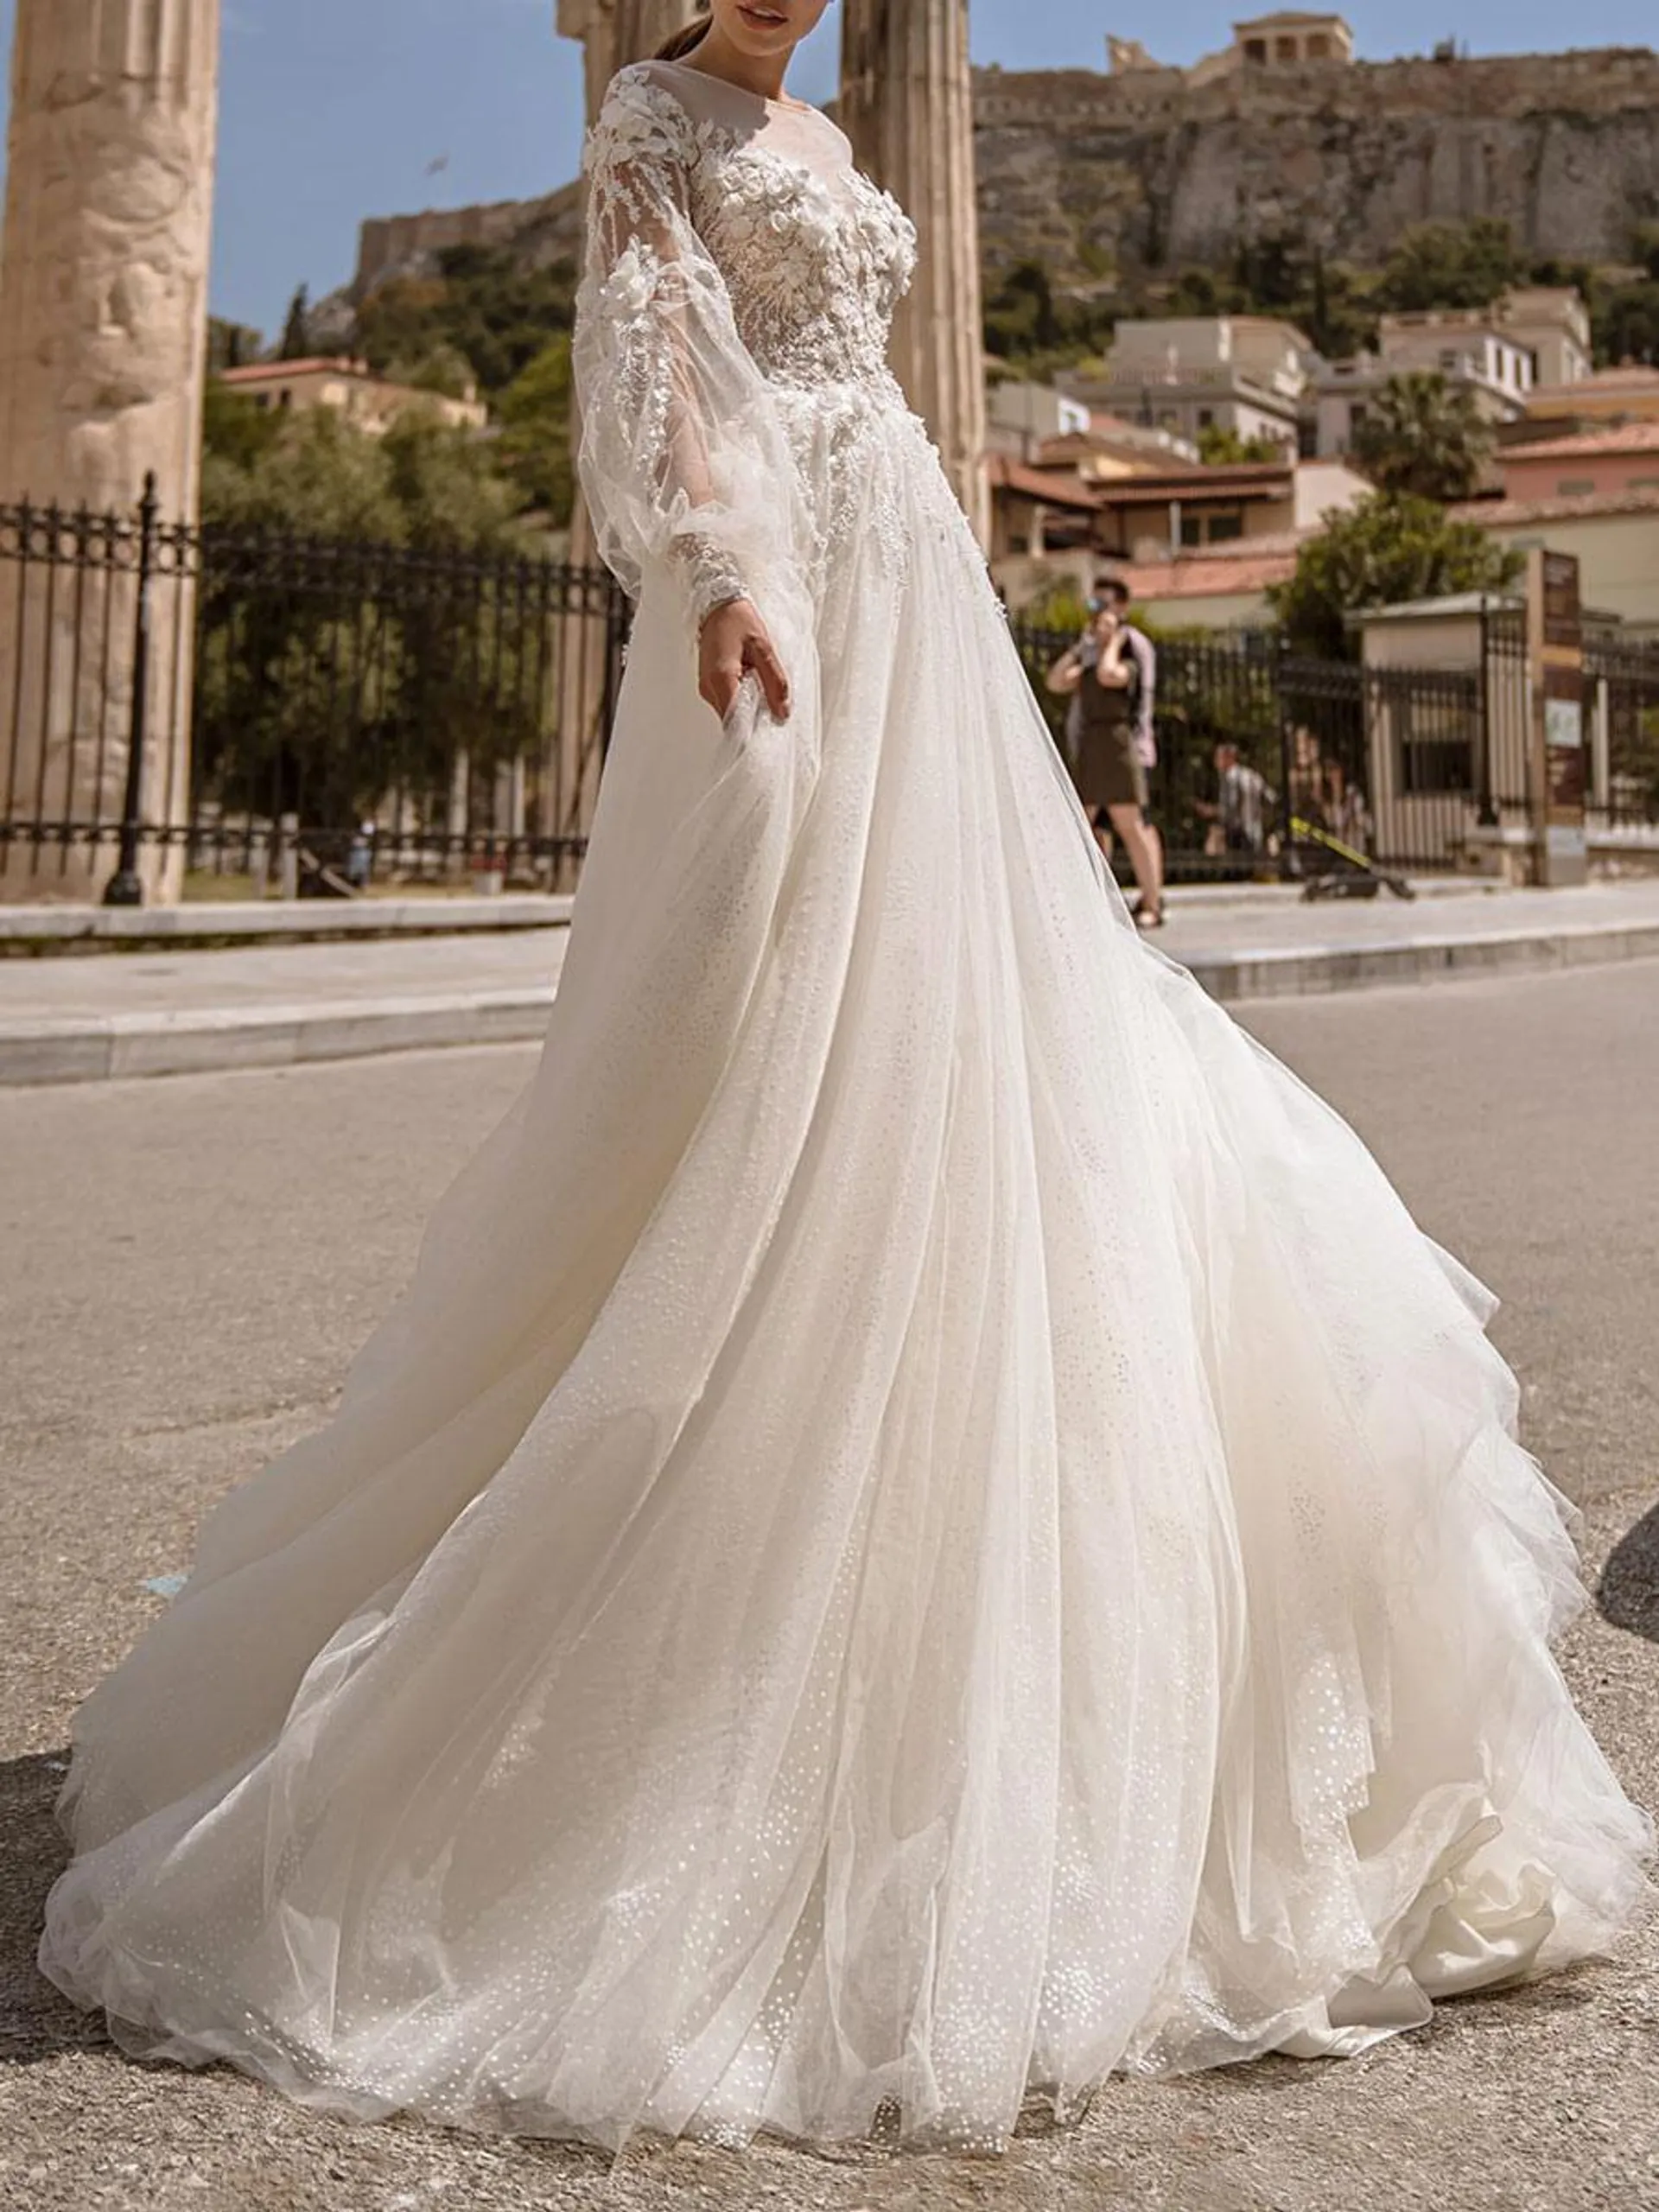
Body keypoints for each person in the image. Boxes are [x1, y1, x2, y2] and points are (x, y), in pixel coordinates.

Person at [41, 0, 1650, 2162]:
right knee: (779, 1080)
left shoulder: (807, 112)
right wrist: (716, 570)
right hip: (792, 577)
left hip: (922, 603)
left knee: (1024, 1067)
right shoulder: (649, 121)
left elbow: (851, 361)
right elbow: (658, 354)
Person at [1047, 596, 1166, 928]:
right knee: (1080, 826)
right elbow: (1055, 681)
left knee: (1129, 824)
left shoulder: (1127, 666)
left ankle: (1152, 903)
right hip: (1090, 746)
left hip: (1117, 745)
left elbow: (1107, 674)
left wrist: (1114, 642)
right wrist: (1078, 648)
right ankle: (1078, 901)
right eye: (1098, 625)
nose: (1101, 630)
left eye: (1109, 626)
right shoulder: (1084, 667)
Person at [1197, 740, 1276, 860]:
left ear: (1230, 758)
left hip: (1243, 830)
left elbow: (1233, 807)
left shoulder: (1234, 778)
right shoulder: (1245, 774)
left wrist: (1212, 811)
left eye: (1218, 757)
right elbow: (1271, 797)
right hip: (1249, 827)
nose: (1215, 761)